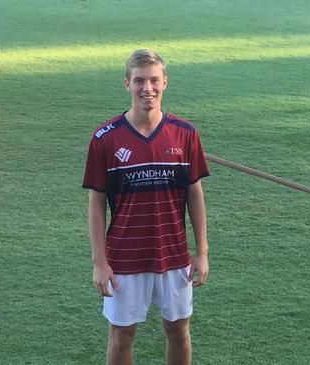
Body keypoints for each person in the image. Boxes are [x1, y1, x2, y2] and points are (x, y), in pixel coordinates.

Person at [83, 49, 210, 364]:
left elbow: (195, 194)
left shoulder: (186, 134)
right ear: (127, 83)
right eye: (139, 80)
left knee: (178, 330)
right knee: (121, 336)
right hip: (125, 257)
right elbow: (96, 204)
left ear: (165, 83)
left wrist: (202, 252)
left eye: (154, 80)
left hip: (173, 255)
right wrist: (99, 262)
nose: (147, 88)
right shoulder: (104, 138)